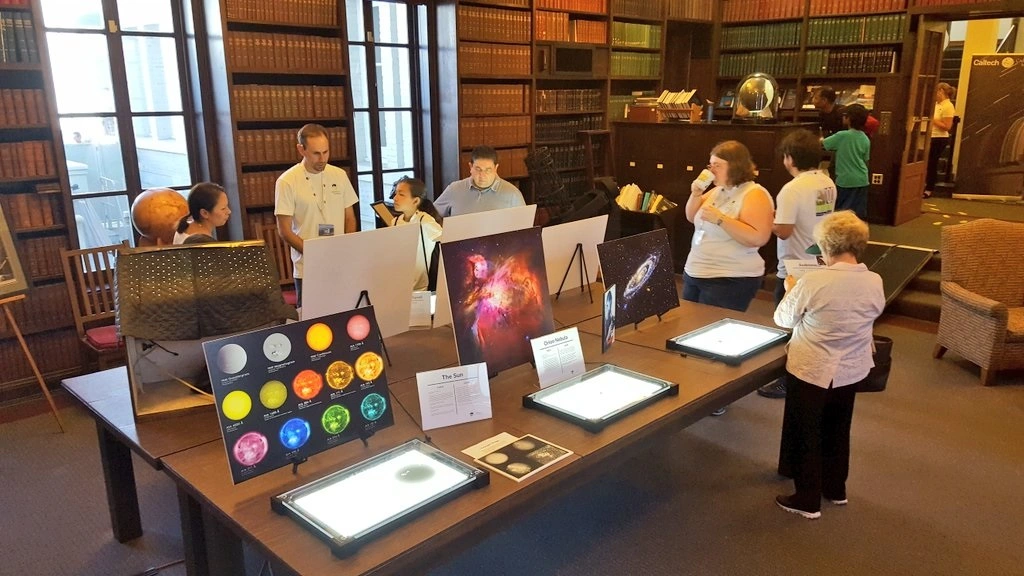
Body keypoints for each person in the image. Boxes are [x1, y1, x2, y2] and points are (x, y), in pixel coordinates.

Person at [772, 210, 884, 519]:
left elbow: (783, 319)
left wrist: (791, 290)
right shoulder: (874, 280)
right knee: (838, 427)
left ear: (826, 245)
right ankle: (835, 489)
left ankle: (807, 499)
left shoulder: (814, 281)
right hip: (851, 368)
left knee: (808, 430)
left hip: (812, 367)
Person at [684, 140, 775, 416]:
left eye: (717, 165)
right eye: (710, 163)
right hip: (697, 271)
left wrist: (722, 219)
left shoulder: (755, 194)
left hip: (730, 277)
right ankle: (696, 389)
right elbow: (692, 218)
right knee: (689, 335)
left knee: (715, 340)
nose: (710, 169)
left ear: (734, 166)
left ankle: (716, 396)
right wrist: (695, 194)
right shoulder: (716, 191)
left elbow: (758, 236)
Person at [758, 129, 837, 400]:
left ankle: (789, 379)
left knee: (789, 324)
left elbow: (784, 230)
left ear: (790, 159)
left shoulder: (792, 189)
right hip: (820, 261)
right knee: (811, 324)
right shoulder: (826, 182)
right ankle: (809, 374)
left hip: (795, 267)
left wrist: (766, 217)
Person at [275, 123, 358, 306]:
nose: (322, 159)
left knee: (344, 314)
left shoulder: (339, 175)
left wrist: (347, 247)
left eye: (326, 152)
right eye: (316, 153)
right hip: (308, 267)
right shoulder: (287, 181)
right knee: (312, 324)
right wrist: (316, 254)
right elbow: (285, 231)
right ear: (301, 149)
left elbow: (350, 218)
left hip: (339, 263)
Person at [434, 146, 525, 217]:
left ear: (496, 168)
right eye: (478, 169)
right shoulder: (454, 190)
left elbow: (523, 229)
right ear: (470, 167)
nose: (482, 175)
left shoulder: (512, 194)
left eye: (488, 170)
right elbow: (430, 217)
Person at [389, 176, 442, 291]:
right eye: (396, 193)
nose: (395, 198)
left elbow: (446, 239)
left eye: (401, 194)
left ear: (416, 200)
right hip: (399, 284)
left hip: (421, 288)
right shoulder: (395, 222)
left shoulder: (425, 221)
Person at [822, 104, 870, 220]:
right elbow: (866, 160)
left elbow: (824, 144)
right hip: (862, 179)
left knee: (841, 211)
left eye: (844, 115)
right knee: (857, 213)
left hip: (845, 179)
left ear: (849, 118)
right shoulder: (865, 138)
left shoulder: (842, 135)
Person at [924, 82, 956, 198]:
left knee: (932, 162)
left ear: (941, 91)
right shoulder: (937, 104)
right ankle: (925, 184)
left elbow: (947, 126)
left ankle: (929, 188)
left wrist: (932, 120)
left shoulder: (948, 106)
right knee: (927, 162)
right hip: (930, 136)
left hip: (939, 138)